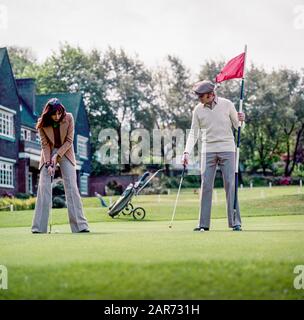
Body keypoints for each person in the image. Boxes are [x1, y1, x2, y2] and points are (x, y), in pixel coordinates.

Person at [182, 80, 245, 231]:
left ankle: (235, 222)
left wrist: (242, 119)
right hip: (207, 150)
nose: (199, 99)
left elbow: (238, 126)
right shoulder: (198, 110)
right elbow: (193, 133)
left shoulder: (227, 104)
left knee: (230, 184)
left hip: (227, 149)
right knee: (206, 186)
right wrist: (186, 152)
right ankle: (203, 224)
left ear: (211, 95)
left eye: (201, 96)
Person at [31, 98, 90, 233]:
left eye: (59, 113)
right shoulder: (42, 124)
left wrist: (56, 156)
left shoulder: (68, 118)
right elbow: (45, 145)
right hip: (48, 152)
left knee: (71, 186)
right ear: (48, 113)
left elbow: (69, 141)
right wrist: (48, 163)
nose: (57, 116)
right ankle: (39, 228)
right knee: (44, 186)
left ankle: (80, 226)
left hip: (66, 151)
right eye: (54, 114)